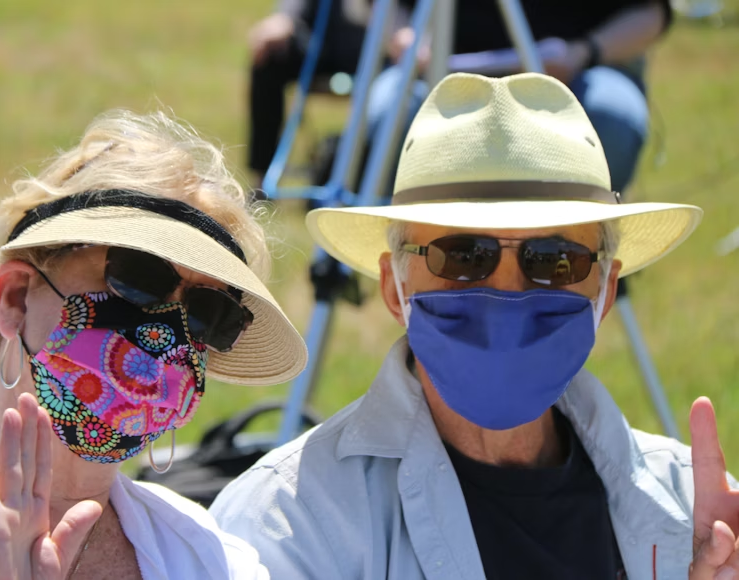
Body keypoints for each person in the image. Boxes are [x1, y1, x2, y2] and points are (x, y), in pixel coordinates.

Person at [211, 73, 739, 578]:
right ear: (395, 288)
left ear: (605, 292)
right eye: (463, 255)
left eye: (554, 260)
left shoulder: (692, 510)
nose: (508, 291)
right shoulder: (291, 525)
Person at [0, 109, 308, 579]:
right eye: (138, 278)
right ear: (15, 298)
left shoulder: (212, 560)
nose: (166, 335)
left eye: (207, 313)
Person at [367, 0, 671, 198]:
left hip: (576, 69)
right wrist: (405, 39)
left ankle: (579, 246)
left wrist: (584, 51)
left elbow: (650, 12)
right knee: (388, 113)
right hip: (436, 73)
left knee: (612, 117)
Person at [247, 0, 367, 189]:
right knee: (270, 57)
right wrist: (284, 19)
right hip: (321, 40)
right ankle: (262, 180)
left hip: (379, 41)